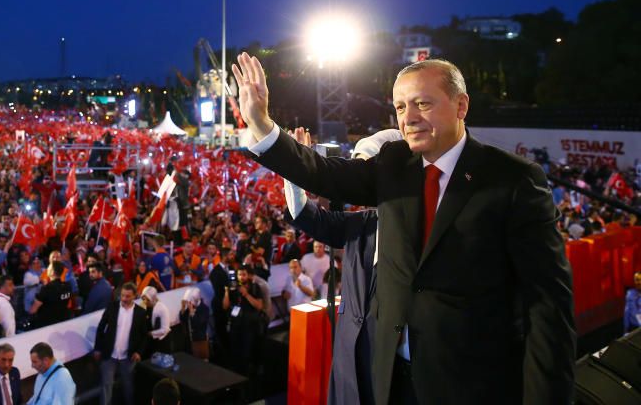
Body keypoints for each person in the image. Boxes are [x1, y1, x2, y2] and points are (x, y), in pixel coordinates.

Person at [233, 52, 575, 404]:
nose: (408, 118)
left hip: (470, 384)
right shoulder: (394, 163)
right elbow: (324, 173)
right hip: (389, 379)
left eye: (422, 104)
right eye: (399, 107)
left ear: (461, 105)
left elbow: (548, 307)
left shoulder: (514, 180)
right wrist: (262, 125)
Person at [285, 127, 399, 405]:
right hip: (348, 373)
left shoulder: (426, 235)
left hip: (392, 377)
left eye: (366, 171)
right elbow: (305, 215)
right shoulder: (361, 223)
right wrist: (294, 167)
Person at [93, 282, 147, 405]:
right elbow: (101, 327)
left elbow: (145, 336)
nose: (124, 299)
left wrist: (139, 352)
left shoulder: (140, 313)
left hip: (128, 357)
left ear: (135, 296)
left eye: (127, 296)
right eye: (122, 295)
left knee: (128, 388)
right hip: (109, 355)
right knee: (106, 387)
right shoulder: (112, 307)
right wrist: (97, 348)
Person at [221, 264, 265, 376]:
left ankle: (248, 373)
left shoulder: (255, 287)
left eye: (244, 274)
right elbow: (225, 306)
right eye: (239, 274)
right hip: (236, 324)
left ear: (248, 276)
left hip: (250, 325)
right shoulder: (233, 288)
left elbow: (259, 306)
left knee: (248, 350)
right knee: (235, 350)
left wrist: (246, 295)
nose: (242, 277)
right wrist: (226, 292)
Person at [29, 262, 73, 328]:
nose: (47, 269)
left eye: (49, 268)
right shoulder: (68, 286)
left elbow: (33, 310)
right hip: (63, 321)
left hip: (48, 325)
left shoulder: (47, 288)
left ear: (52, 272)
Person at [178, 287, 211, 360]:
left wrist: (192, 313)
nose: (189, 304)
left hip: (200, 341)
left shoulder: (204, 309)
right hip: (190, 340)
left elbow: (198, 324)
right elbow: (183, 319)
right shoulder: (190, 308)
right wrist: (183, 308)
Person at [140, 287, 172, 355]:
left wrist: (151, 333)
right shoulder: (145, 307)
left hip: (162, 343)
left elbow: (165, 329)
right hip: (152, 342)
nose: (145, 302)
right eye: (143, 299)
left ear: (152, 298)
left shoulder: (162, 309)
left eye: (147, 299)